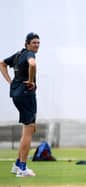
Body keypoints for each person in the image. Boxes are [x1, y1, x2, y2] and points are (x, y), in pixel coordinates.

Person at [0, 32, 40, 177]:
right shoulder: (29, 54)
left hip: (18, 93)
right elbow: (33, 64)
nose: (36, 45)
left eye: (38, 43)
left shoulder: (18, 55)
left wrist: (10, 82)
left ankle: (17, 165)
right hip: (25, 94)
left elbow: (2, 63)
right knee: (29, 130)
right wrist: (30, 81)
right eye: (34, 42)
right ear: (27, 43)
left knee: (29, 129)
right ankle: (22, 168)